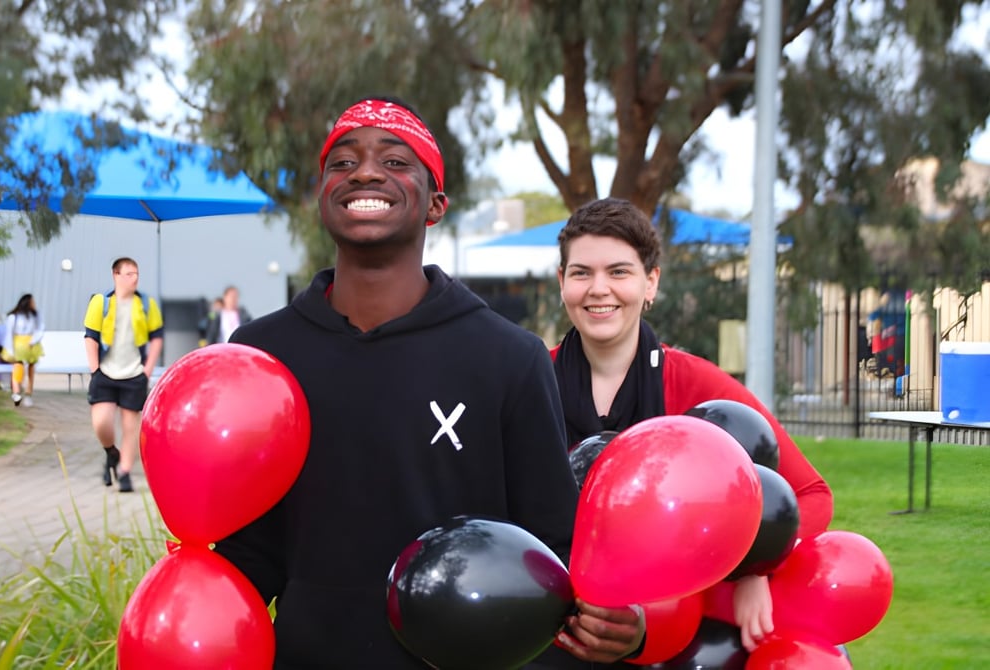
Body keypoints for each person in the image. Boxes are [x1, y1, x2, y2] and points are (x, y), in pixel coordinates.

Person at [214, 97, 644, 668]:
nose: (365, 171)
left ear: (436, 203)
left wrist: (621, 626)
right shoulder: (261, 356)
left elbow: (553, 556)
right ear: (322, 196)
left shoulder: (508, 358)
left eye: (395, 162)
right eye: (342, 163)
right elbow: (250, 551)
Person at [551, 197, 834, 654]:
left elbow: (811, 496)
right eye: (582, 273)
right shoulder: (531, 382)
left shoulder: (696, 384)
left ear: (651, 283)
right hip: (553, 633)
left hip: (673, 636)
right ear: (562, 283)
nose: (598, 289)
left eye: (619, 272)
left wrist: (756, 567)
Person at [83, 257, 164, 493]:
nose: (134, 278)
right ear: (115, 275)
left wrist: (147, 370)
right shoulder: (101, 302)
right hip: (106, 373)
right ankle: (111, 452)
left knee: (131, 428)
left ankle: (125, 472)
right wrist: (94, 369)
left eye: (136, 273)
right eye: (128, 274)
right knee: (101, 423)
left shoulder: (146, 304)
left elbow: (156, 336)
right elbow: (90, 337)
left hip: (134, 374)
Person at [0, 293, 46, 407]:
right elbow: (9, 334)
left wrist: (34, 341)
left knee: (31, 367)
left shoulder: (35, 315)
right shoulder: (14, 317)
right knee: (18, 366)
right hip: (18, 344)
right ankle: (16, 392)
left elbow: (40, 328)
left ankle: (28, 393)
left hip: (31, 343)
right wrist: (10, 350)